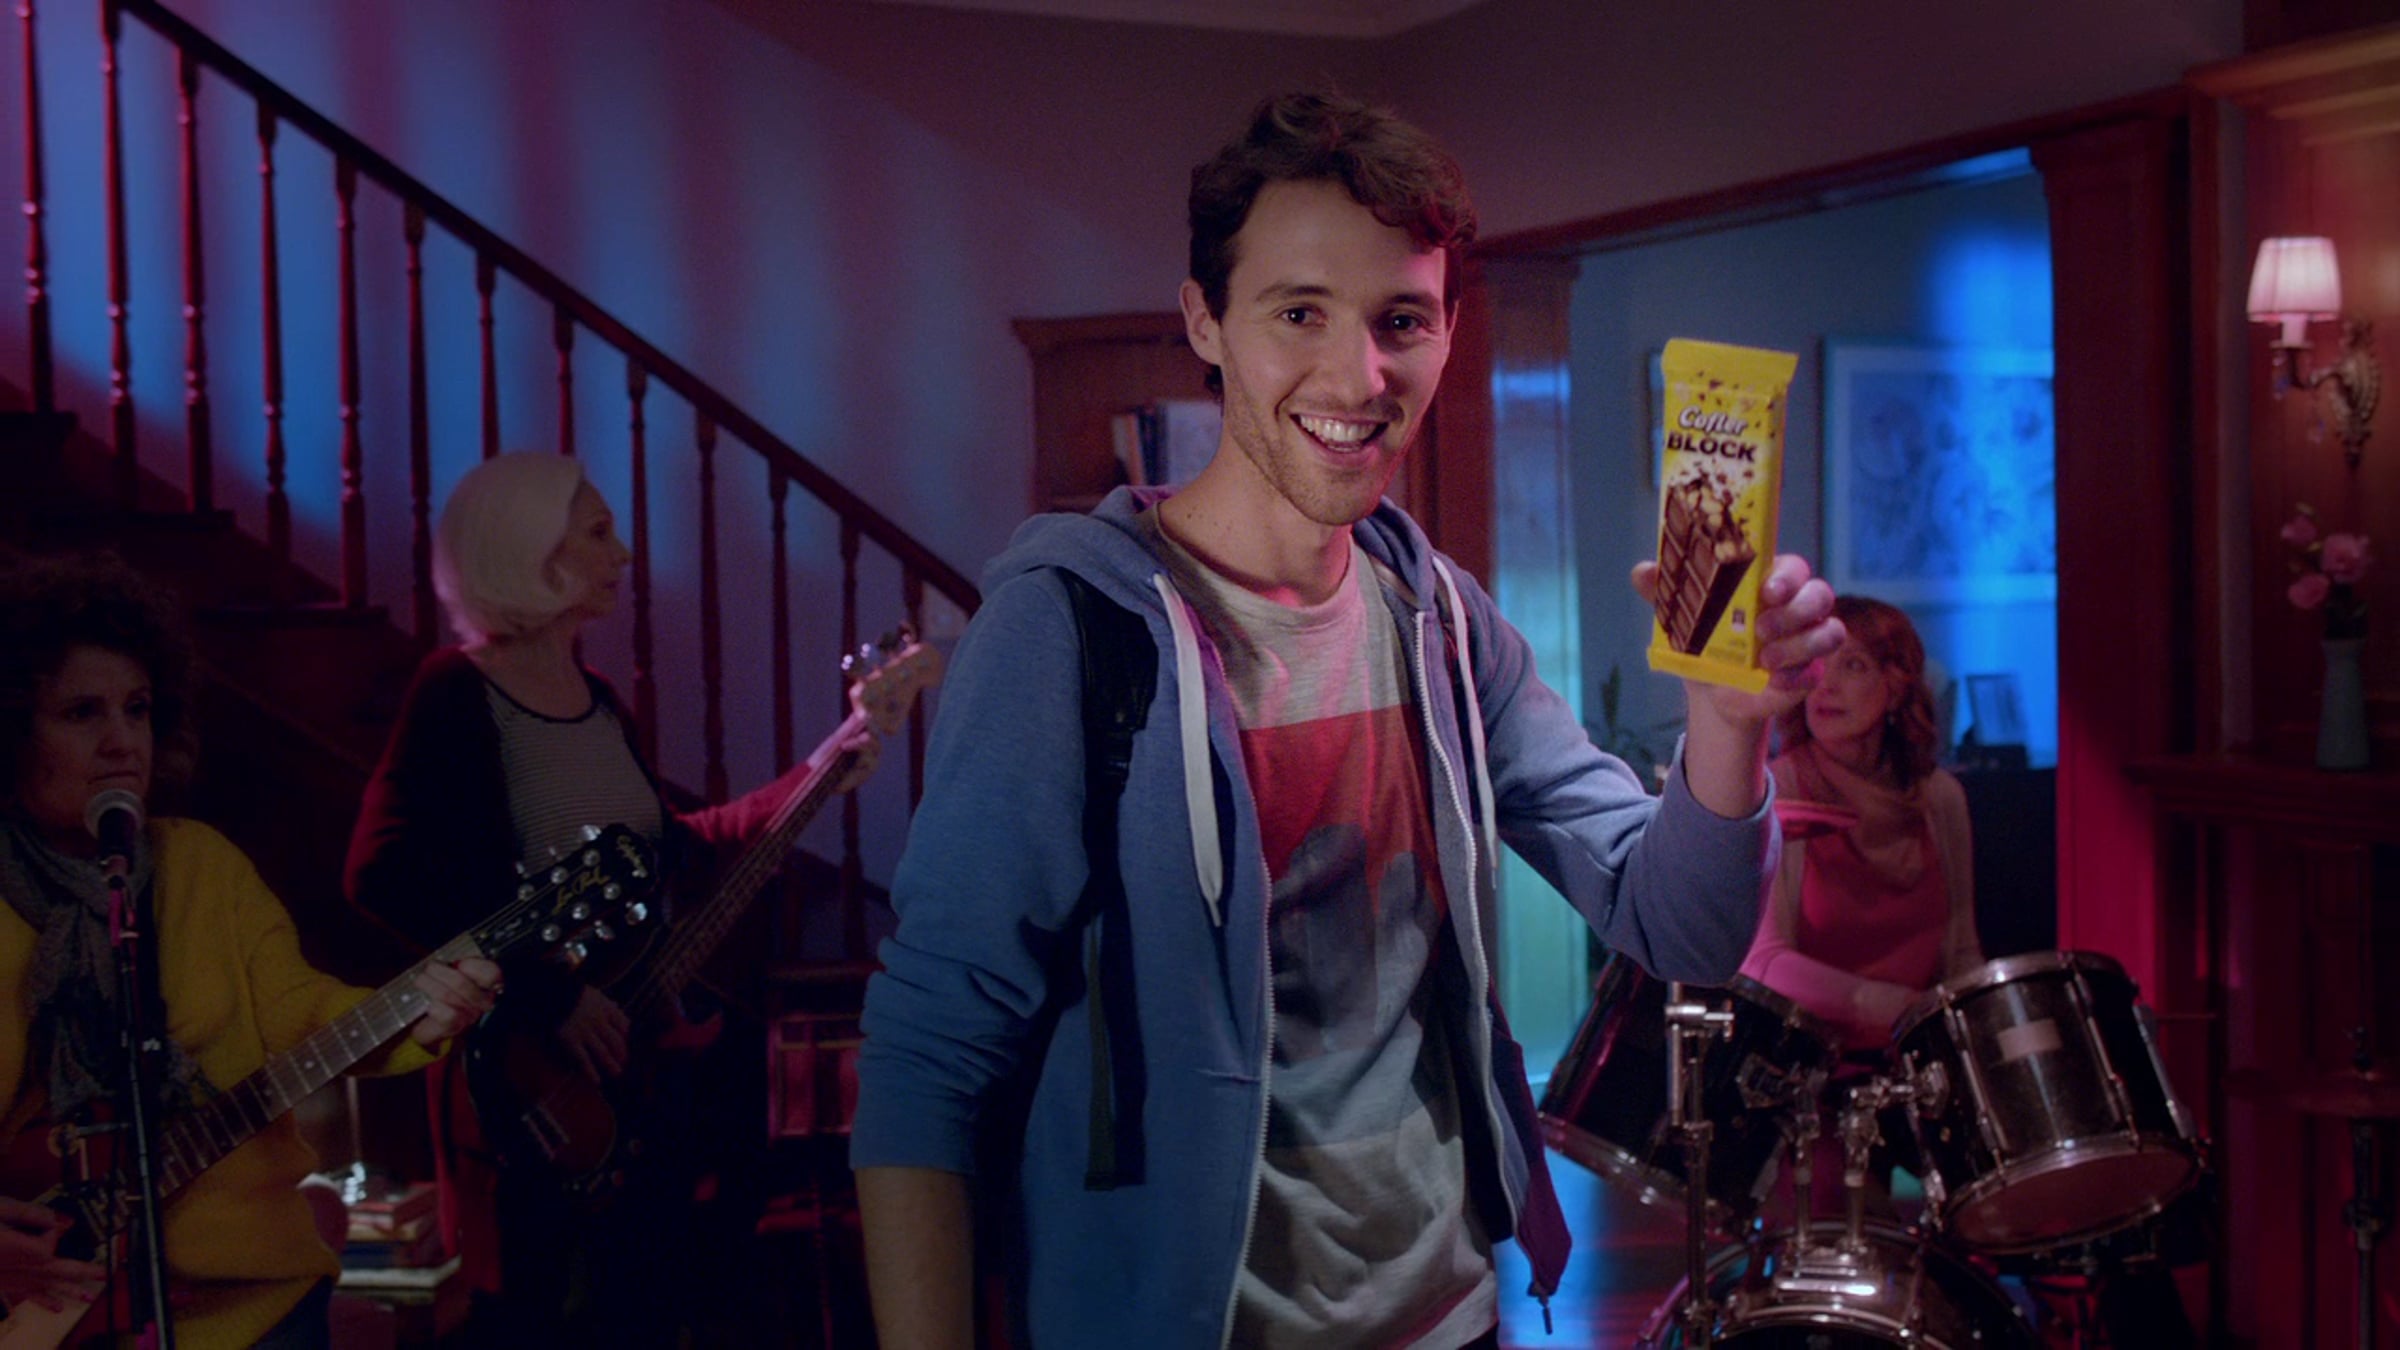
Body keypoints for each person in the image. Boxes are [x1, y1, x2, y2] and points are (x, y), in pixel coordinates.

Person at [852, 90, 1844, 1350]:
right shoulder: (1067, 630)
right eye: (1299, 312)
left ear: (1448, 332)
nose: (1357, 376)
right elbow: (928, 1060)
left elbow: (1681, 926)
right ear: (1205, 320)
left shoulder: (1442, 618)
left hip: (1451, 1323)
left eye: (1401, 321)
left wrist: (1727, 727)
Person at [343, 450, 873, 1347]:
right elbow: (382, 873)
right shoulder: (456, 691)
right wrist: (548, 994)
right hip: (521, 1068)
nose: (622, 554)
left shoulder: (596, 698)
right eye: (598, 532)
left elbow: (675, 847)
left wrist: (820, 769)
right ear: (530, 551)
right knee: (534, 1315)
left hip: (627, 1064)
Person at [0, 552, 499, 1350]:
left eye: (138, 708)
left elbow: (303, 1011)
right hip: (57, 1316)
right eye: (81, 712)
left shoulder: (201, 864)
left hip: (258, 1306)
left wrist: (422, 1010)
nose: (122, 741)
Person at [1739, 594, 1979, 1052]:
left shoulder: (1940, 797)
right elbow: (1762, 963)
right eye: (1816, 665)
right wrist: (1891, 1006)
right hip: (1807, 1067)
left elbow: (1962, 954)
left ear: (1897, 687)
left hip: (1920, 1063)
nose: (1825, 685)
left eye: (1852, 666)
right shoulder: (1776, 790)